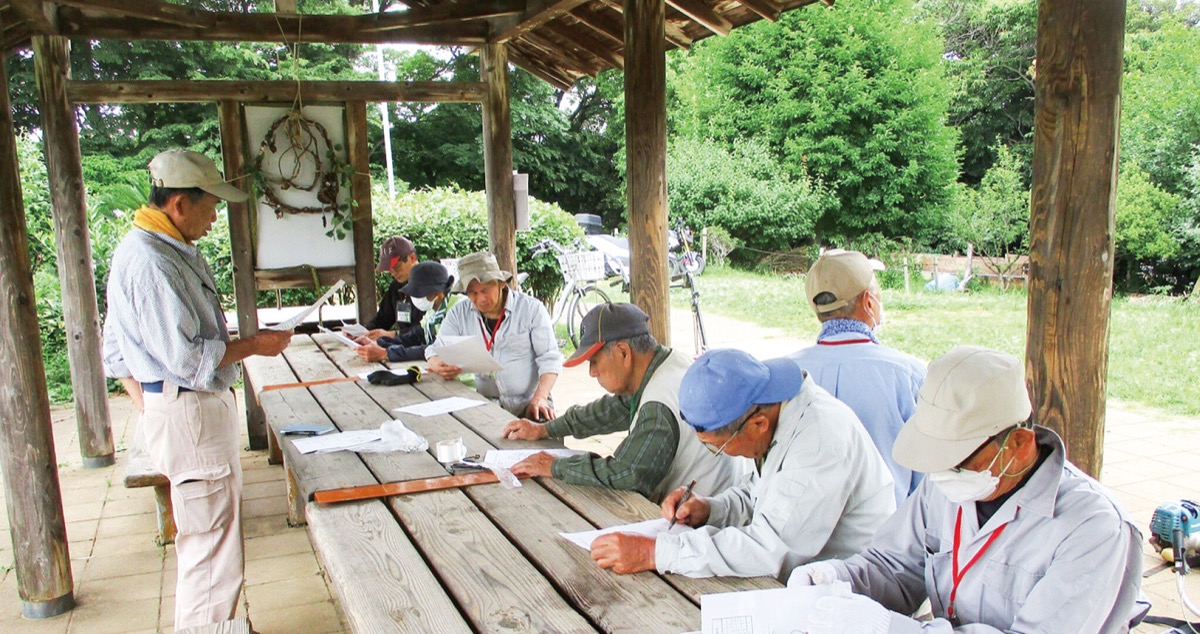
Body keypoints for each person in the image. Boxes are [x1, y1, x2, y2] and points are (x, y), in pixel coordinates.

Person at [789, 346, 1146, 634]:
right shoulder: (946, 484)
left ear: (1019, 444)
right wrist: (837, 579)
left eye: (957, 462)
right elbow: (893, 566)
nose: (942, 476)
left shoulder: (1095, 529)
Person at [101, 149, 293, 629]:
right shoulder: (152, 261)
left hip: (182, 409)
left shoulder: (152, 249)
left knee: (209, 541)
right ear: (180, 204)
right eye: (210, 207)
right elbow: (189, 358)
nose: (213, 219)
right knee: (209, 549)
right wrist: (254, 345)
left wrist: (153, 405)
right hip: (189, 410)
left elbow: (115, 354)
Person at [590, 348, 895, 581]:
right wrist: (711, 509)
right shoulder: (773, 411)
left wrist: (655, 552)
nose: (720, 453)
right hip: (806, 576)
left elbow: (769, 547)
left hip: (854, 594)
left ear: (757, 424)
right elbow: (760, 494)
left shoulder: (818, 443)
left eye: (719, 446)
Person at [501, 303, 737, 503]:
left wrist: (553, 466)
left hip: (703, 525)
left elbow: (627, 474)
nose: (592, 372)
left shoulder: (659, 402)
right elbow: (610, 411)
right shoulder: (668, 364)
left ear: (623, 353)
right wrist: (544, 428)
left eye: (594, 361)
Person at [789, 248, 926, 504]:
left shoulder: (786, 373)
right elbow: (925, 482)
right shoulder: (908, 375)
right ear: (868, 302)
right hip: (889, 536)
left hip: (801, 536)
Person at [425, 251, 562, 418]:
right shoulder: (459, 313)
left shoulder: (531, 309)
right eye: (473, 293)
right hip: (487, 404)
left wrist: (540, 397)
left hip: (529, 402)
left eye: (485, 290)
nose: (481, 298)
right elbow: (435, 349)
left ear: (501, 284)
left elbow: (550, 358)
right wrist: (437, 362)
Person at [356, 261, 458, 362]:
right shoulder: (433, 311)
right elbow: (415, 336)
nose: (414, 297)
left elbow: (435, 348)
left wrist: (387, 353)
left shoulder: (457, 309)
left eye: (418, 293)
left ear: (437, 292)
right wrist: (380, 342)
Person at [360, 235, 423, 340]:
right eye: (390, 269)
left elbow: (430, 328)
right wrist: (362, 332)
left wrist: (394, 335)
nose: (393, 273)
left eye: (397, 267)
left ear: (412, 258)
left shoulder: (430, 285)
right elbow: (382, 320)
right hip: (403, 347)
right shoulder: (396, 286)